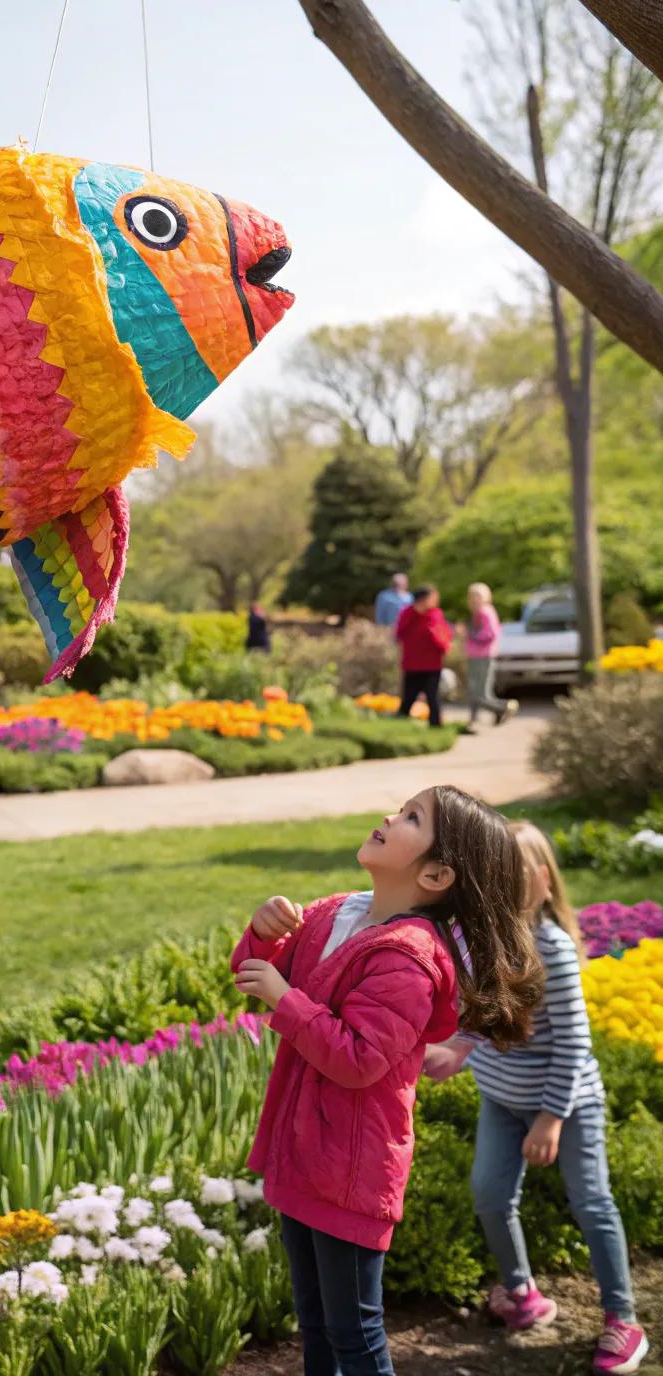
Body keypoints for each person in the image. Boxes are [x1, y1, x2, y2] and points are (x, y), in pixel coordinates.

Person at [232, 786, 544, 1376]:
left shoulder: (409, 957)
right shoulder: (334, 913)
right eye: (401, 809)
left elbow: (359, 1060)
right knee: (317, 1322)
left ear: (437, 874)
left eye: (411, 818)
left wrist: (286, 1000)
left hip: (351, 1166)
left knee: (355, 1333)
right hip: (303, 1153)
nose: (388, 817)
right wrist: (264, 931)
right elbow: (257, 972)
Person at [426, 822, 648, 1375]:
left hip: (568, 1106)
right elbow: (485, 1016)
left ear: (542, 881)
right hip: (500, 1101)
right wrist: (457, 1049)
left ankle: (623, 1319)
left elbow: (574, 1044)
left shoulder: (552, 949)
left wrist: (550, 1119)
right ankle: (523, 1293)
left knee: (592, 1204)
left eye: (511, 873)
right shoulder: (480, 942)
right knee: (489, 1195)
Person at [462, 582, 519, 734]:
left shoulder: (486, 612)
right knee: (475, 692)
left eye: (478, 596)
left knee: (480, 694)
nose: (474, 599)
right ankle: (473, 722)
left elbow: (491, 633)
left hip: (483, 656)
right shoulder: (478, 613)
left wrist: (471, 634)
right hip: (475, 655)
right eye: (472, 596)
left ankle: (504, 707)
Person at [395, 586, 453, 728]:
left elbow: (444, 634)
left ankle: (436, 725)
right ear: (423, 599)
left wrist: (443, 644)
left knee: (432, 697)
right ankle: (400, 723)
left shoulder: (435, 614)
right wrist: (415, 614)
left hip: (432, 664)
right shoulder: (408, 613)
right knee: (409, 696)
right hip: (412, 663)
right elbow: (399, 634)